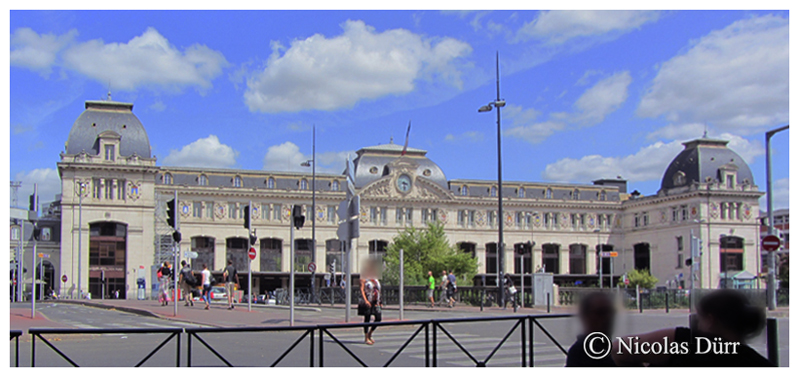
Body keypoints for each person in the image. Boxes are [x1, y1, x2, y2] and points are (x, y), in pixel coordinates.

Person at [612, 289, 773, 367]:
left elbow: (620, 348)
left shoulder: (687, 343)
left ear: (710, 320)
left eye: (700, 318)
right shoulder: (759, 364)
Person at [566, 291, 617, 367]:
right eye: (600, 312)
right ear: (585, 317)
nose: (608, 318)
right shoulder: (582, 352)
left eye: (610, 312)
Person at [360, 259, 382, 345]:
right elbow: (361, 289)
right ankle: (366, 337)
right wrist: (365, 300)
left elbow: (378, 289)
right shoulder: (364, 277)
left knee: (378, 318)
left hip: (376, 301)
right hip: (368, 301)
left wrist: (380, 300)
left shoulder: (375, 277)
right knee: (367, 318)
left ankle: (370, 334)